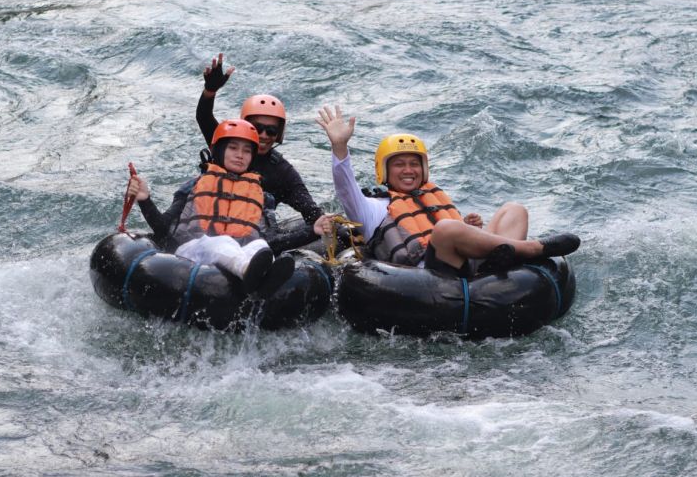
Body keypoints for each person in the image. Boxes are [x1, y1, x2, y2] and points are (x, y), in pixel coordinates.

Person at [313, 105, 580, 277]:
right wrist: (339, 147)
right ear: (384, 171)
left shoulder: (432, 196)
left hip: (471, 263)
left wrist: (470, 228)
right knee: (447, 230)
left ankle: (503, 261)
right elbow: (344, 185)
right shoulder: (371, 209)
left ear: (424, 169)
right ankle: (532, 249)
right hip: (427, 274)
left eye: (414, 164)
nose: (408, 170)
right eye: (399, 165)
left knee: (515, 210)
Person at [126, 119, 295, 296]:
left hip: (238, 252)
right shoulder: (193, 186)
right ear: (220, 150)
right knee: (222, 241)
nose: (240, 155)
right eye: (233, 148)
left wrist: (312, 231)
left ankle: (262, 285)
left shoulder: (262, 196)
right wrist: (145, 200)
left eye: (247, 151)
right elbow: (163, 229)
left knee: (260, 245)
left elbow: (272, 239)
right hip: (191, 253)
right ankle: (248, 272)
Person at [197, 54, 330, 248]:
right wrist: (210, 91)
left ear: (279, 134)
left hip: (256, 238)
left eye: (272, 130)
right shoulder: (225, 148)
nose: (264, 135)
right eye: (257, 127)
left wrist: (326, 225)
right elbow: (204, 117)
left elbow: (311, 212)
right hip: (211, 227)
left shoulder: (281, 171)